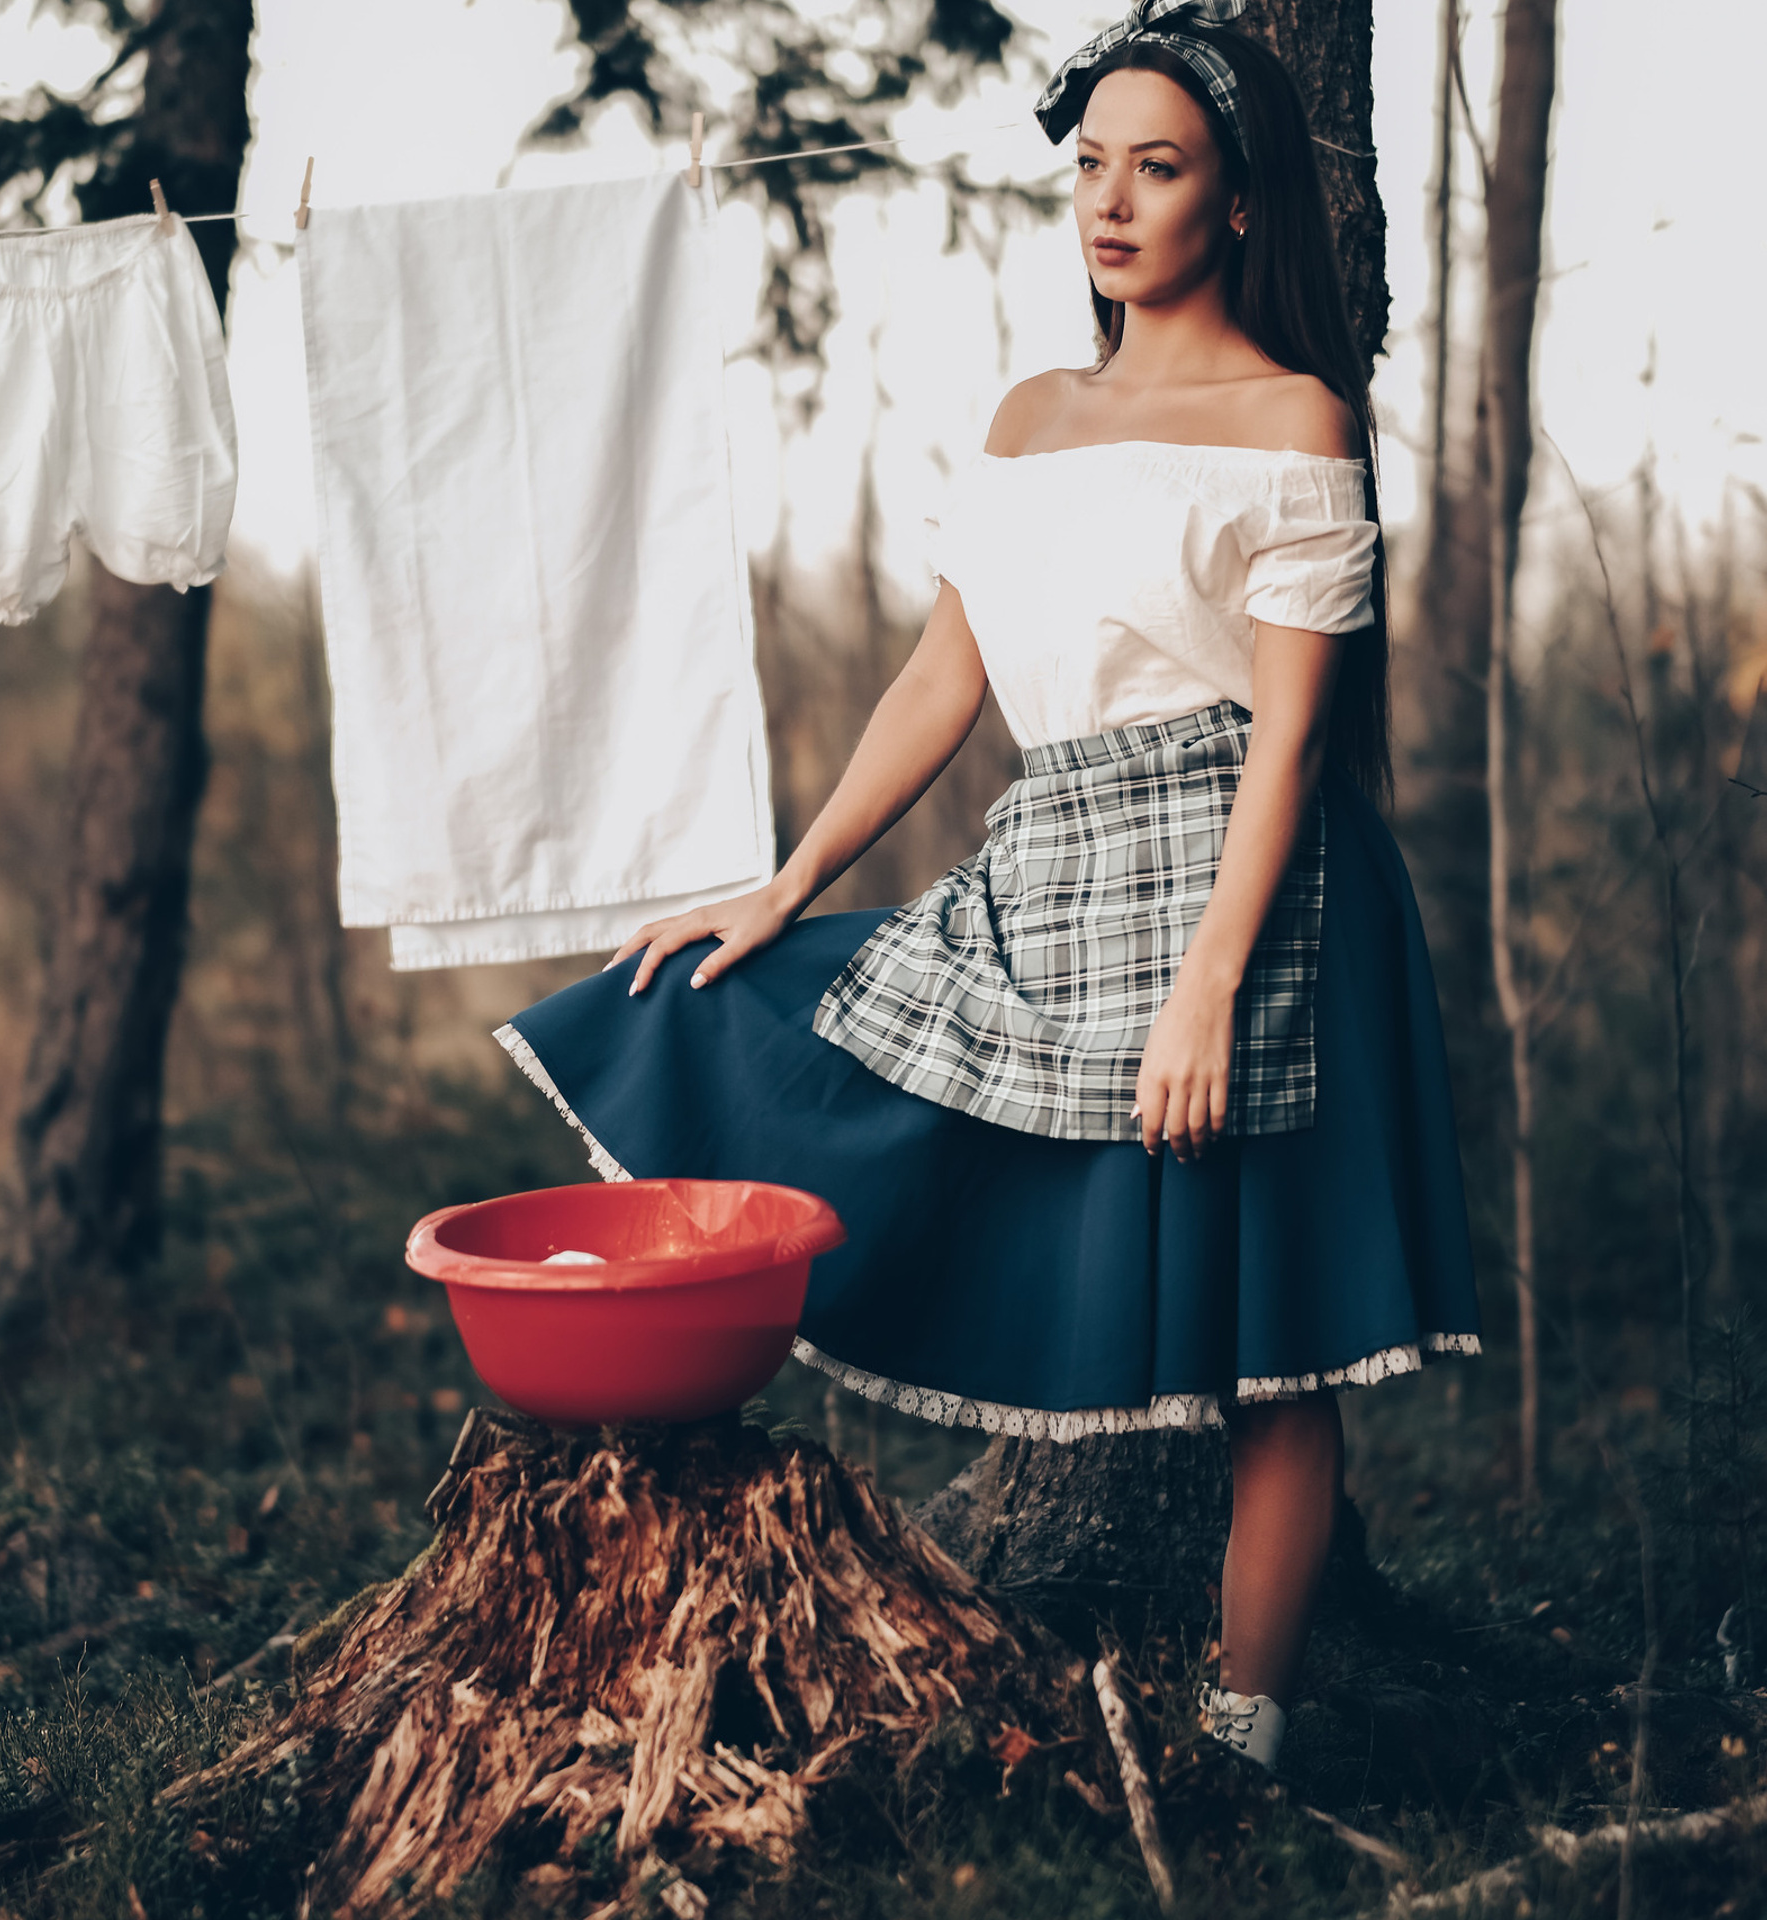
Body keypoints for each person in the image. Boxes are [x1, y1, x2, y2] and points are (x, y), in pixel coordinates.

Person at [496, 0, 1480, 1775]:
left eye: (1156, 169)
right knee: (726, 1017)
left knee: (1277, 1345)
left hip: (1262, 898)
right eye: (1089, 163)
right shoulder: (1034, 412)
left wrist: (1208, 988)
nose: (1109, 204)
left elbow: (1293, 750)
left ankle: (1244, 1730)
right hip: (1053, 859)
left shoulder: (1297, 416)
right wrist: (787, 882)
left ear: (1237, 203)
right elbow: (943, 679)